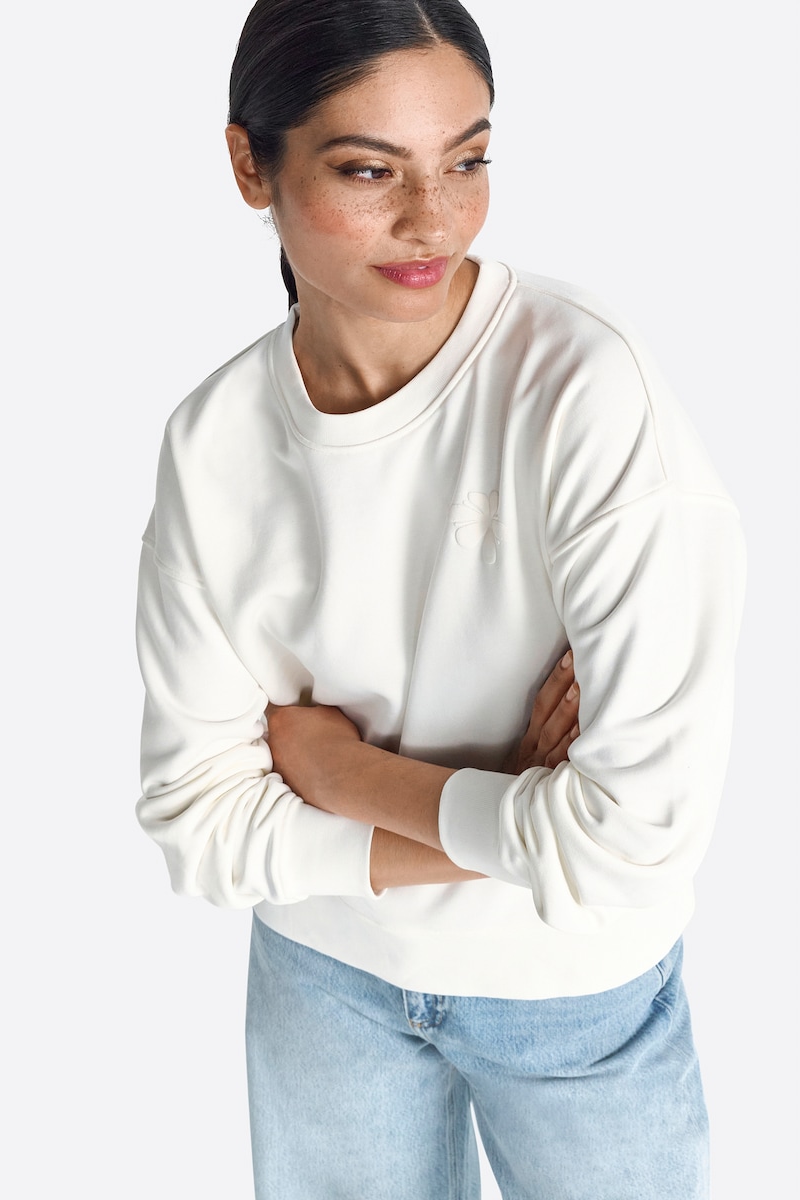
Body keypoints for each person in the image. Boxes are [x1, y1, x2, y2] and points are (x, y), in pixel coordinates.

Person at [135, 1, 745, 1195]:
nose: (434, 218)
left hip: (568, 989)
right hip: (322, 982)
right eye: (370, 170)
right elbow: (197, 830)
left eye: (467, 161)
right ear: (249, 163)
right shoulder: (214, 444)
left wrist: (341, 773)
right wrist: (526, 810)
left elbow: (636, 848)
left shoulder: (585, 392)